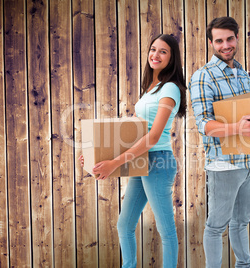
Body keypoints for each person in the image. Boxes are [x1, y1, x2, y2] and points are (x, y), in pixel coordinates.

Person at [79, 34, 187, 268]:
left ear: (172, 58)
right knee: (124, 225)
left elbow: (154, 136)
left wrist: (115, 162)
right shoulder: (151, 88)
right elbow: (134, 131)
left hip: (158, 162)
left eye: (163, 51)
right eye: (153, 49)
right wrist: (94, 154)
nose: (155, 55)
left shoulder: (170, 89)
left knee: (165, 230)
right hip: (140, 160)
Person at [189, 17, 250, 268]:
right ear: (211, 43)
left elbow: (248, 115)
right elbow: (204, 125)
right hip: (224, 164)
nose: (225, 45)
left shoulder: (243, 74)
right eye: (219, 40)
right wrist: (238, 128)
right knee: (216, 226)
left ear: (237, 39)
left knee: (241, 222)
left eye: (229, 39)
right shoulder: (203, 77)